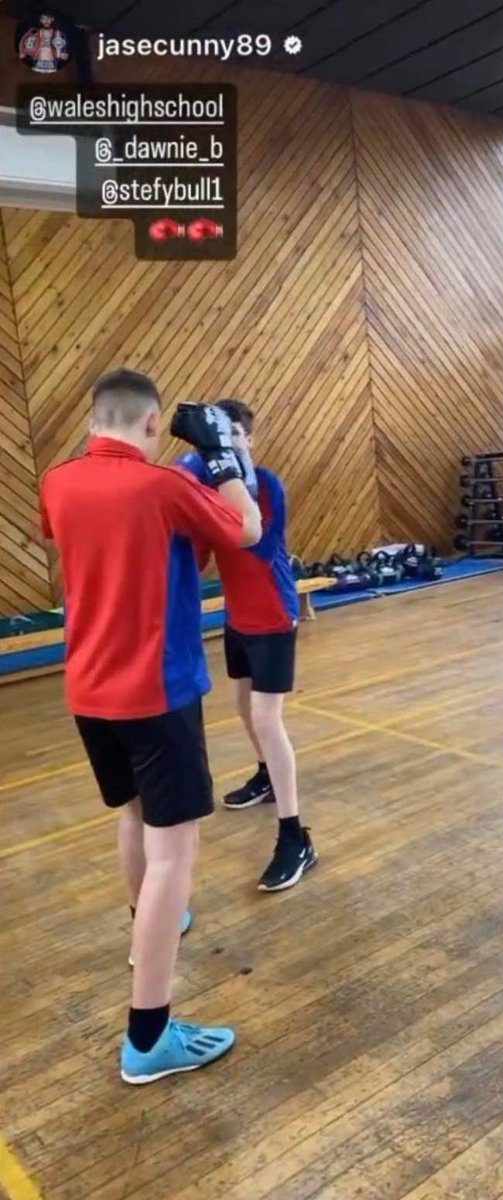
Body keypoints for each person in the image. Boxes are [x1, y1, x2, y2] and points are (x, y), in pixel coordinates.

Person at [39, 369, 262, 1084]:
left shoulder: (57, 482)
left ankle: (147, 932)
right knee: (177, 854)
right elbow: (248, 529)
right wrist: (222, 456)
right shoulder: (164, 487)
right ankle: (148, 1038)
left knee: (134, 816)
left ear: (95, 418)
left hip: (88, 692)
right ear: (151, 422)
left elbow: (108, 525)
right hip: (157, 694)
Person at [176, 400, 318, 894]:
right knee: (241, 706)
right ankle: (265, 774)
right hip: (238, 617)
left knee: (265, 717)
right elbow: (196, 557)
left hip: (274, 615)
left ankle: (295, 835)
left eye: (236, 434)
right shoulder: (217, 491)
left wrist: (217, 480)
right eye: (221, 435)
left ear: (249, 440)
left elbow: (250, 540)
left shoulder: (268, 486)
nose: (230, 442)